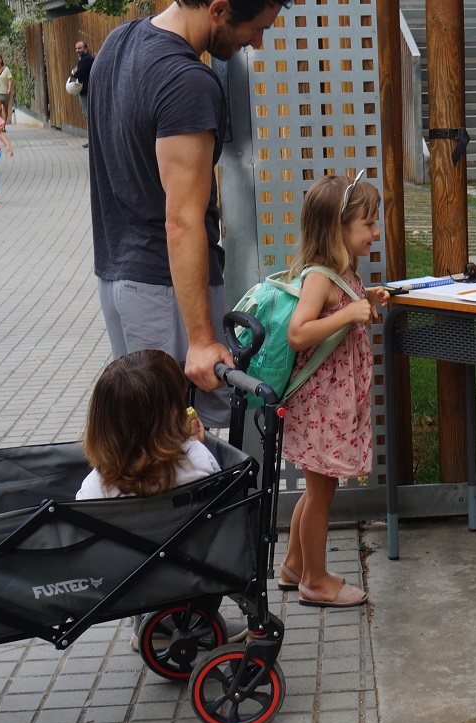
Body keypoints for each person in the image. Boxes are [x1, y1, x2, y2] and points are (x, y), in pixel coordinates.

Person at [89, 0, 291, 428]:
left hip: (118, 279)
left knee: (146, 436)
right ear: (218, 9)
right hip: (164, 291)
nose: (257, 41)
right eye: (256, 28)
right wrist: (200, 340)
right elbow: (181, 221)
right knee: (177, 443)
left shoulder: (117, 44)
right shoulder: (187, 82)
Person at [76, 348, 247, 650]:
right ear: (170, 415)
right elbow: (220, 495)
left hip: (126, 582)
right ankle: (187, 621)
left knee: (130, 547)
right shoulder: (195, 458)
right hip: (195, 571)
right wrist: (196, 444)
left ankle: (148, 625)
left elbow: (84, 522)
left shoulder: (96, 482)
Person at [278, 173, 390, 609]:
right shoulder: (320, 276)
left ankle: (292, 566)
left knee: (318, 489)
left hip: (332, 405)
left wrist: (368, 299)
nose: (375, 232)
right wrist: (348, 316)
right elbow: (299, 332)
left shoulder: (343, 272)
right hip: (319, 406)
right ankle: (315, 579)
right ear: (337, 229)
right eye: (368, 223)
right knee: (321, 492)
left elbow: (344, 308)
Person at [77, 349, 221, 500]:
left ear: (101, 426)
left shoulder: (96, 489)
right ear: (173, 414)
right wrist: (193, 446)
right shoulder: (199, 461)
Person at [70, 40, 93, 147]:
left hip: (86, 91)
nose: (77, 50)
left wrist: (74, 72)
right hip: (86, 90)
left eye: (80, 48)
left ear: (85, 48)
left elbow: (77, 73)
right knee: (88, 115)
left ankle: (92, 141)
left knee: (89, 115)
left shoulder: (86, 60)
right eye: (76, 48)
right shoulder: (84, 59)